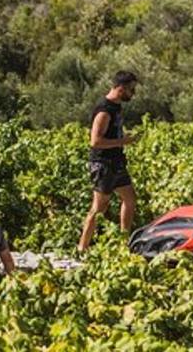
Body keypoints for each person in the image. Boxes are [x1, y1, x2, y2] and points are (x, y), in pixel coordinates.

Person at [77, 70, 139, 252]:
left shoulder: (117, 107)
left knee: (130, 199)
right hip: (103, 164)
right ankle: (82, 247)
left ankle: (123, 243)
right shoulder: (104, 110)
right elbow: (95, 141)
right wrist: (123, 141)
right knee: (99, 207)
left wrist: (122, 139)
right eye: (131, 90)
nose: (132, 94)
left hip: (117, 162)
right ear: (121, 88)